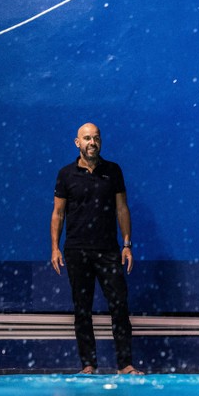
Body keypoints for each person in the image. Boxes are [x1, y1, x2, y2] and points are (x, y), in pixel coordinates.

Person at [51, 122, 144, 375]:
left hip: (108, 251)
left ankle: (125, 364)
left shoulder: (113, 171)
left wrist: (127, 244)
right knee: (82, 308)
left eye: (96, 138)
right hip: (76, 251)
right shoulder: (66, 174)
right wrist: (55, 248)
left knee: (119, 306)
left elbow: (122, 208)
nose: (92, 142)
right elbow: (58, 213)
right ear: (77, 143)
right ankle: (88, 365)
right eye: (87, 138)